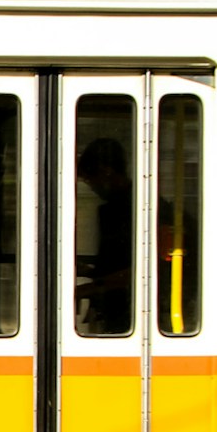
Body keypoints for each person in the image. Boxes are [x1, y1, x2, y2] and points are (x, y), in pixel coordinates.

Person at [74, 137, 133, 335]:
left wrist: (89, 289)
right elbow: (118, 264)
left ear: (106, 172)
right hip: (115, 308)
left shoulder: (130, 211)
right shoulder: (118, 209)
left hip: (128, 312)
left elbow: (139, 272)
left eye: (91, 181)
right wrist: (90, 272)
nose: (93, 188)